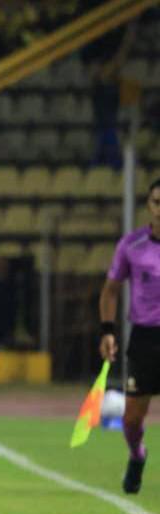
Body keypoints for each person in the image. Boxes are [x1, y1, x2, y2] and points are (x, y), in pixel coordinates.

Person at [99, 177, 160, 494]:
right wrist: (107, 331)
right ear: (149, 205)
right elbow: (111, 290)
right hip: (145, 339)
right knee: (132, 420)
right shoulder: (132, 246)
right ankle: (137, 455)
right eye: (157, 202)